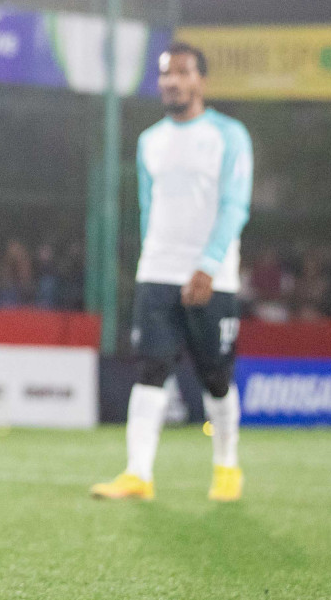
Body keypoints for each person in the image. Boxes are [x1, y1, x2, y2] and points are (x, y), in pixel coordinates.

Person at [93, 42, 252, 504]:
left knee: (215, 376)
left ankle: (227, 467)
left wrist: (208, 264)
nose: (171, 81)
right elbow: (149, 209)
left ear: (200, 80)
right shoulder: (149, 140)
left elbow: (235, 206)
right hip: (158, 272)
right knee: (150, 367)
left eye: (182, 72)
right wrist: (151, 261)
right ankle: (137, 473)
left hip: (212, 276)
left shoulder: (229, 135)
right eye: (165, 73)